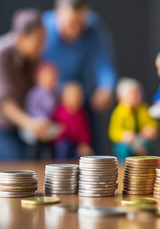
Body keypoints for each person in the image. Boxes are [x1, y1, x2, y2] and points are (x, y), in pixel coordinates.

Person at [0, 9, 50, 161]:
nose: (42, 46)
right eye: (38, 40)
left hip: (18, 129)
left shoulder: (33, 59)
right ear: (20, 38)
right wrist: (31, 123)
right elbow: (4, 104)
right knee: (18, 166)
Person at [42, 0, 117, 152]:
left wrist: (106, 86)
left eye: (80, 24)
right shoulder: (43, 28)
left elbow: (103, 60)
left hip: (83, 97)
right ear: (57, 12)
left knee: (90, 147)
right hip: (51, 100)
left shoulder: (93, 25)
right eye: (71, 24)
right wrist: (58, 90)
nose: (76, 30)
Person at [109, 77, 158, 161]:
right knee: (123, 149)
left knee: (149, 146)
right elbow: (113, 131)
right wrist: (124, 135)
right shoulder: (119, 112)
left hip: (141, 139)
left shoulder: (144, 109)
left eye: (139, 93)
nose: (137, 96)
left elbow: (152, 122)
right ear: (121, 97)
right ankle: (124, 168)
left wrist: (151, 129)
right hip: (127, 142)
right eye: (132, 94)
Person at [23, 62, 59, 159]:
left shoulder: (54, 95)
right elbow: (32, 108)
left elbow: (55, 110)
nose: (52, 81)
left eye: (54, 78)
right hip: (37, 123)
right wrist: (42, 118)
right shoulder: (34, 93)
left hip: (49, 125)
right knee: (35, 144)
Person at [53, 82, 94, 160]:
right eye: (72, 96)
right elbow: (55, 130)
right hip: (64, 142)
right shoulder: (60, 112)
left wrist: (84, 144)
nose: (75, 99)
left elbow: (84, 132)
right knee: (64, 146)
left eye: (78, 96)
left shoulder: (82, 114)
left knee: (83, 153)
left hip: (77, 144)